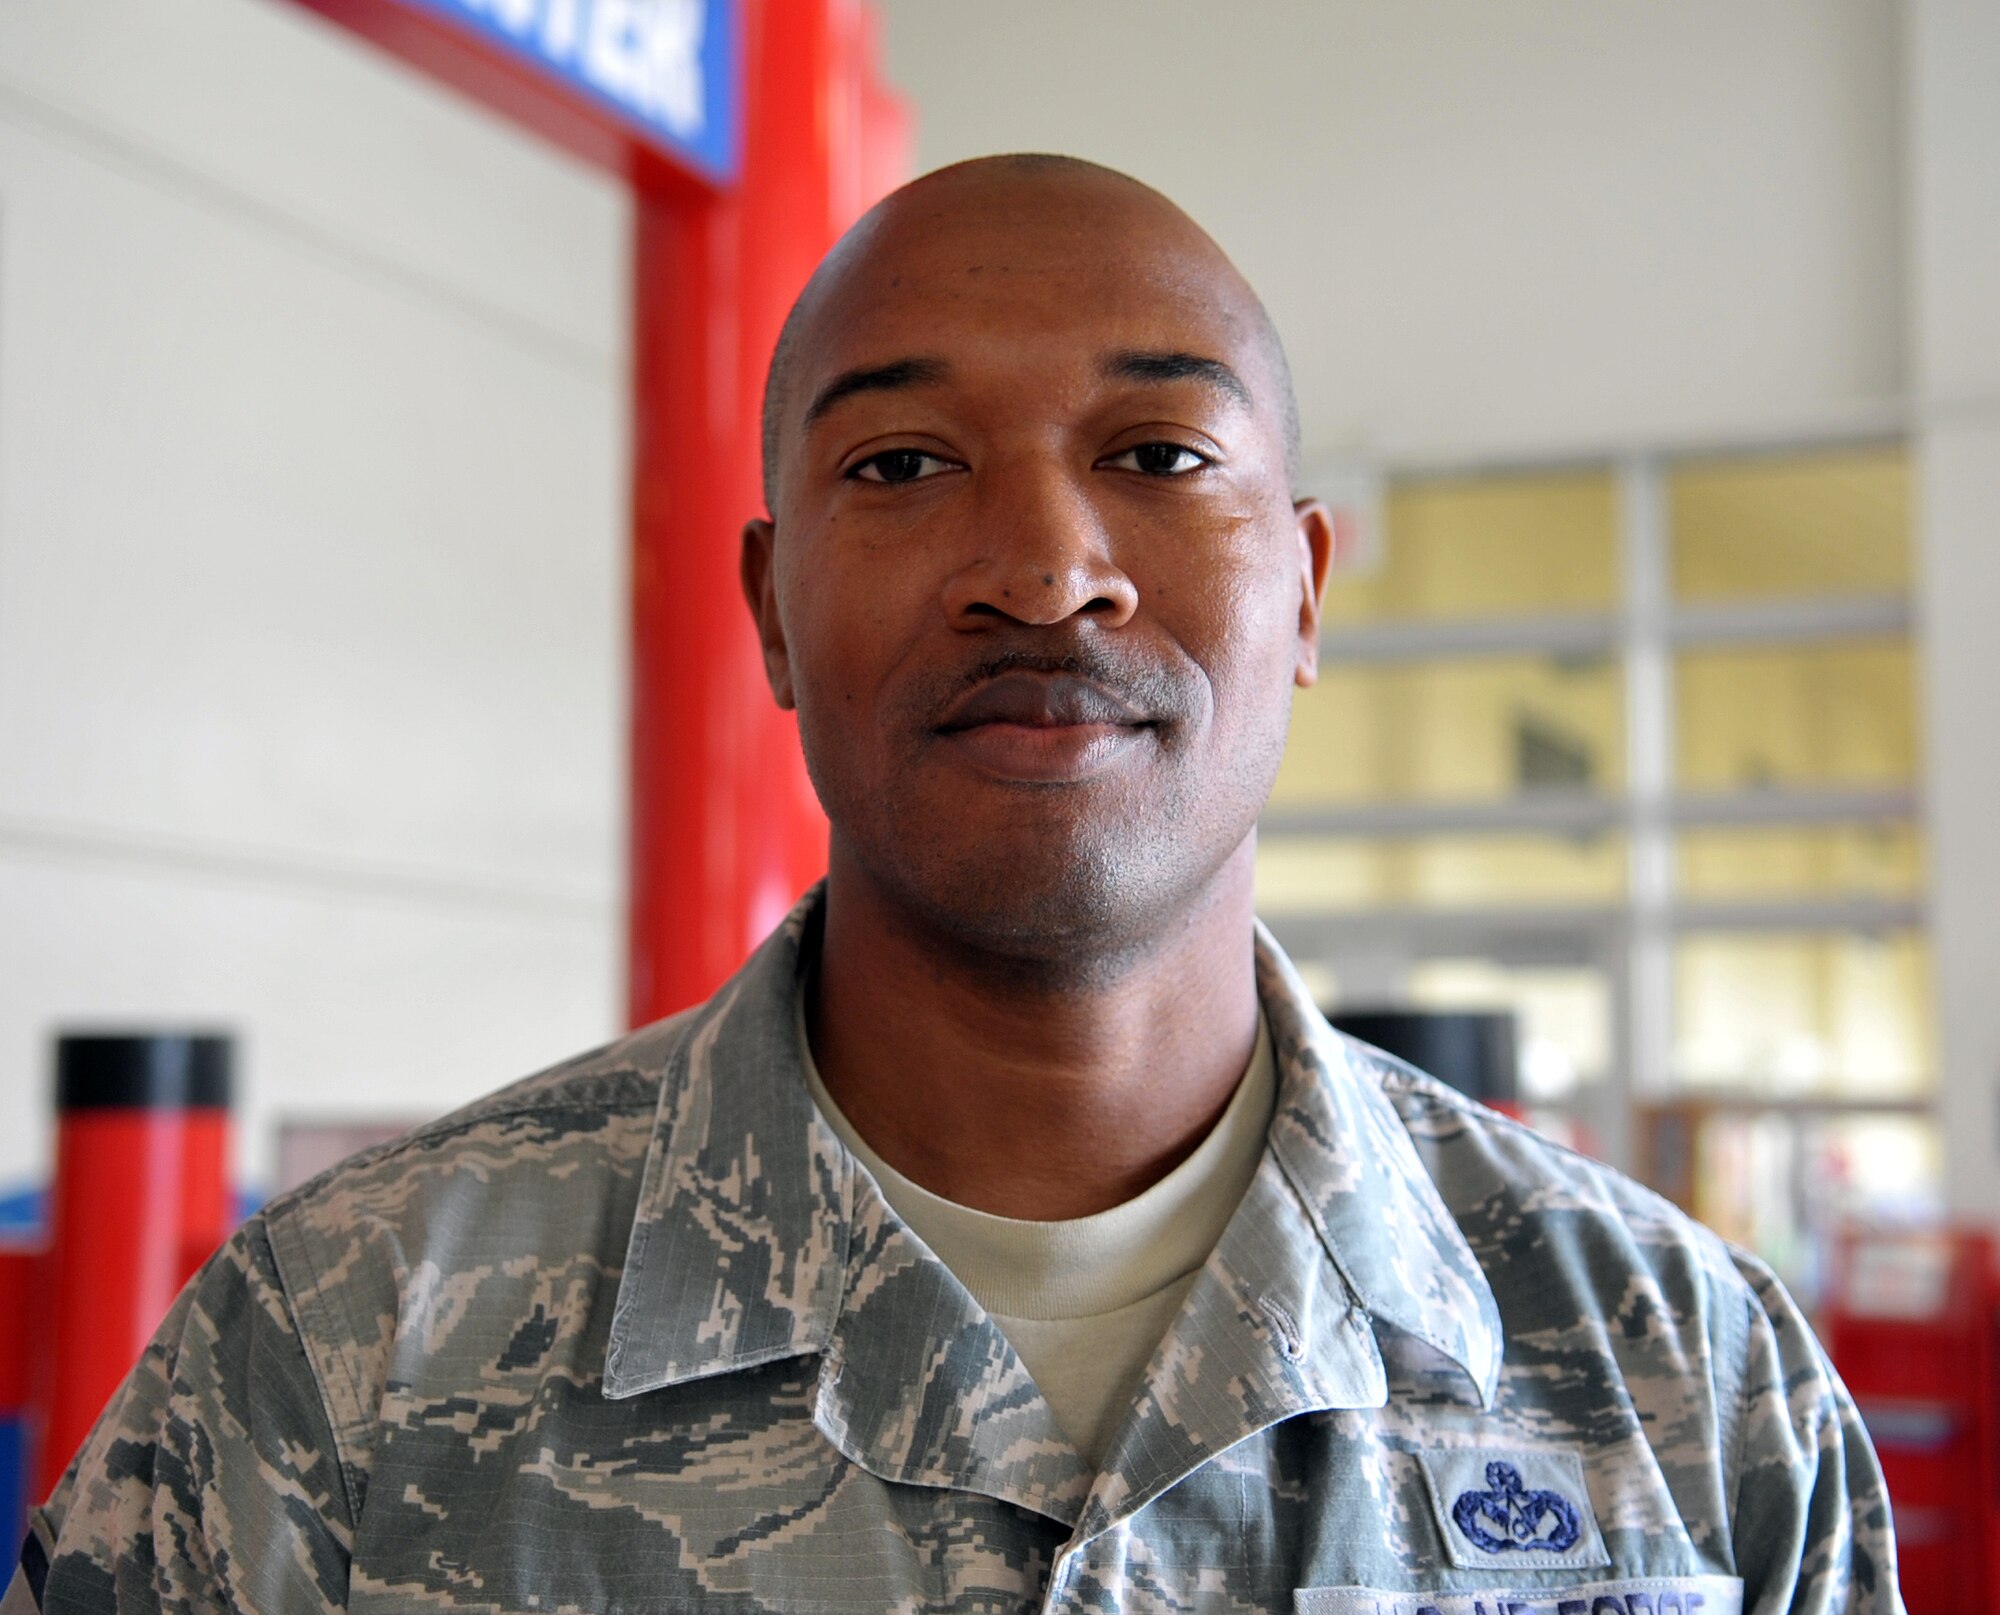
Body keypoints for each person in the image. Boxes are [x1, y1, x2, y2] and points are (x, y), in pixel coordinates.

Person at [6, 156, 1897, 1615]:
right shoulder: (347, 1357)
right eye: (904, 463)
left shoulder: (1686, 1389)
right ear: (770, 611)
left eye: (1159, 453)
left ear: (1307, 590)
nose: (1048, 569)